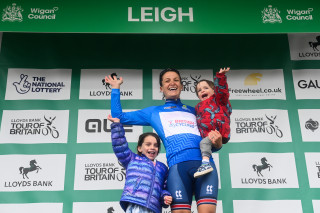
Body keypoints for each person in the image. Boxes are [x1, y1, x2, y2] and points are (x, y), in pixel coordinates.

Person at [105, 68, 222, 213]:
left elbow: (213, 145)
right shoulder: (154, 112)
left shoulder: (196, 111)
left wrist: (218, 143)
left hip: (205, 165)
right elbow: (119, 117)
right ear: (161, 88)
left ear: (181, 85)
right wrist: (116, 89)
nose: (172, 83)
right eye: (167, 81)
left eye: (176, 80)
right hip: (178, 170)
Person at [108, 115, 172, 213]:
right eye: (148, 144)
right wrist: (117, 124)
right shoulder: (132, 159)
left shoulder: (163, 168)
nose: (152, 147)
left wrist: (165, 197)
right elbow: (119, 145)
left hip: (154, 208)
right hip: (136, 204)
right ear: (139, 148)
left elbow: (163, 188)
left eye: (156, 145)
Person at [194, 68, 232, 178]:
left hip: (218, 131)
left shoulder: (218, 100)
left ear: (214, 91)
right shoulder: (198, 107)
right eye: (199, 90)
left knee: (203, 144)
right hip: (208, 135)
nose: (202, 91)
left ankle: (205, 164)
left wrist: (220, 77)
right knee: (201, 144)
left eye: (206, 88)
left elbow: (222, 91)